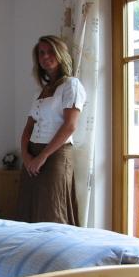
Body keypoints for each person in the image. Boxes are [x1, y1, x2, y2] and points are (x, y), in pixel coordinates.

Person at [17, 35, 86, 225]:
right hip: (32, 154)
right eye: (41, 53)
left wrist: (42, 157)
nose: (45, 56)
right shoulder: (41, 91)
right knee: (28, 207)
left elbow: (70, 125)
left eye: (50, 51)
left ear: (60, 54)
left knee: (52, 209)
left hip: (55, 154)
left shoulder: (71, 85)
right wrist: (27, 156)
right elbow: (28, 128)